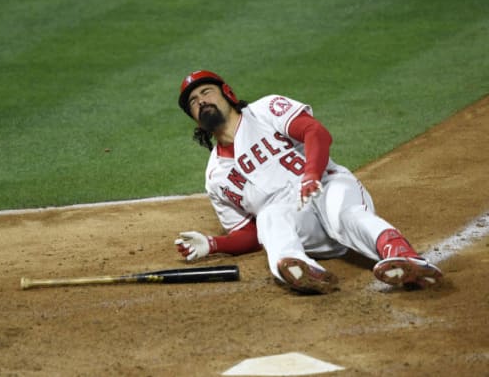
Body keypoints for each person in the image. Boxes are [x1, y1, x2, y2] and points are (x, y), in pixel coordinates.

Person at [173, 70, 442, 294]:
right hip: (302, 223)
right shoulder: (217, 177)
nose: (201, 101)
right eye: (193, 102)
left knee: (344, 215)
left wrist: (311, 174)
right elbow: (251, 234)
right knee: (268, 216)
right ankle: (301, 269)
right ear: (195, 120)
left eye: (206, 92)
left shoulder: (265, 110)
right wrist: (213, 244)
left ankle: (406, 257)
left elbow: (316, 132)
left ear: (227, 93)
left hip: (327, 185)